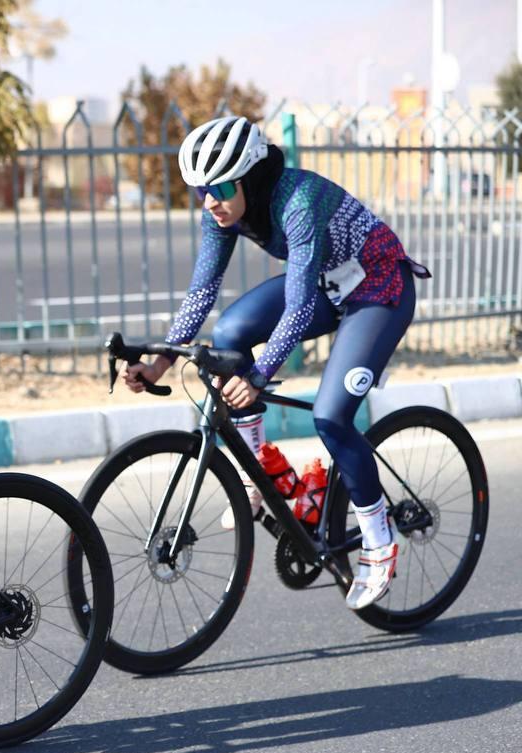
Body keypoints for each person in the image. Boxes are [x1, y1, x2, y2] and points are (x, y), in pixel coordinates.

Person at [122, 116, 428, 611]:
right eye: (201, 191)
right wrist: (159, 362)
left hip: (378, 288)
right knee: (229, 336)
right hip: (328, 284)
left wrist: (259, 376)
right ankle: (256, 474)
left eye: (221, 188)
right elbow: (202, 292)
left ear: (249, 178)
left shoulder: (299, 201)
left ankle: (379, 537)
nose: (210, 201)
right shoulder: (220, 214)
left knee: (331, 416)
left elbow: (299, 307)